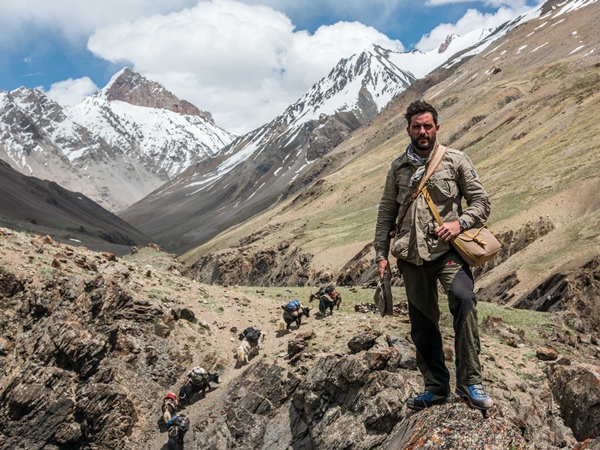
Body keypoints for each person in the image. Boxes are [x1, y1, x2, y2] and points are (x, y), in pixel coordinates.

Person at [373, 100, 493, 412]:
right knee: (422, 322)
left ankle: (470, 381)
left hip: (447, 252)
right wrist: (381, 256)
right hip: (410, 256)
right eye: (417, 126)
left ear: (436, 128)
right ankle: (436, 387)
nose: (423, 131)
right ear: (409, 129)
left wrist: (459, 223)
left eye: (428, 126)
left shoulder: (455, 160)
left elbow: (481, 202)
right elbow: (386, 214)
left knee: (463, 299)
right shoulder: (398, 167)